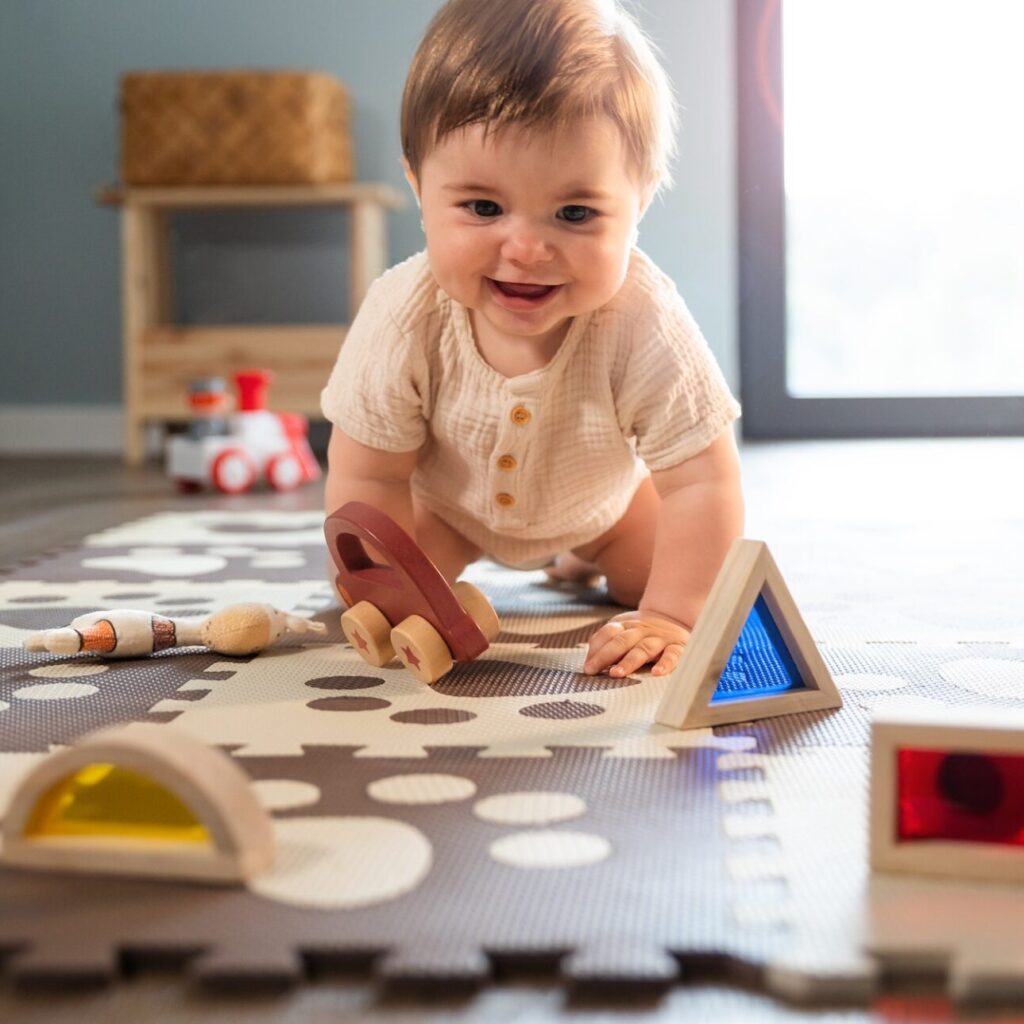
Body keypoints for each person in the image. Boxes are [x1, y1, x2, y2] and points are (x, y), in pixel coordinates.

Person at [321, 0, 744, 680]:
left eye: (575, 213)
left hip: (604, 510)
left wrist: (677, 617)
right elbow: (371, 474)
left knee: (659, 579)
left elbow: (703, 478)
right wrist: (386, 587)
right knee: (389, 582)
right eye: (483, 208)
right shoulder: (404, 313)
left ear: (639, 203)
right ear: (418, 186)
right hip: (448, 513)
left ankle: (579, 558)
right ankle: (483, 571)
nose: (525, 250)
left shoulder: (641, 317)